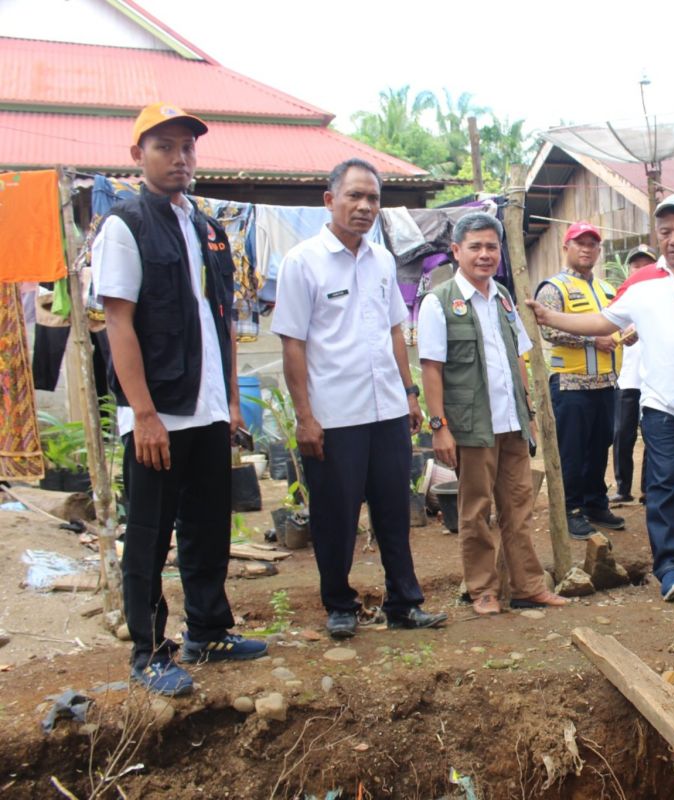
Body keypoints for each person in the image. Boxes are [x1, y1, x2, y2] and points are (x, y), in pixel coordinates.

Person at [94, 102, 267, 696]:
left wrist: (232, 404)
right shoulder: (124, 225)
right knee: (149, 530)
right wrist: (143, 414)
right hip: (157, 412)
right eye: (164, 146)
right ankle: (149, 651)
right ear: (137, 154)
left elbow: (222, 323)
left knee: (206, 525)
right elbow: (119, 323)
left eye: (187, 147)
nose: (179, 157)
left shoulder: (208, 228)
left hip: (209, 409)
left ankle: (209, 631)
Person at [528, 195, 674, 602]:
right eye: (665, 232)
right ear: (658, 235)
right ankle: (669, 567)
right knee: (665, 485)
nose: (673, 239)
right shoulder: (642, 281)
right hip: (663, 405)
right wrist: (550, 317)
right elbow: (604, 320)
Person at [273, 158, 447, 639]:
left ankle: (404, 603)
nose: (365, 206)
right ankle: (340, 605)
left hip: (387, 409)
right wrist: (304, 417)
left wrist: (409, 393)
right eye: (355, 196)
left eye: (373, 198)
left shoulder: (383, 260)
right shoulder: (302, 261)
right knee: (336, 515)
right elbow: (293, 343)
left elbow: (395, 329)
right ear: (330, 201)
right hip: (334, 415)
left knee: (394, 509)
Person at [419, 212, 568, 616]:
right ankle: (482, 590)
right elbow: (431, 367)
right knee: (475, 512)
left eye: (491, 247)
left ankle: (527, 586)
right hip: (471, 427)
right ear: (456, 251)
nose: (485, 255)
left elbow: (518, 356)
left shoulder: (502, 297)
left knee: (518, 509)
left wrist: (530, 411)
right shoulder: (439, 302)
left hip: (512, 422)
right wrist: (439, 427)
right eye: (475, 247)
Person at [535, 222, 624, 539]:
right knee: (571, 451)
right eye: (580, 243)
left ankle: (595, 503)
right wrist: (591, 341)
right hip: (570, 384)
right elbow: (548, 329)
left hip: (605, 383)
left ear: (599, 251)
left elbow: (617, 323)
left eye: (592, 244)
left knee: (600, 446)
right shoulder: (553, 288)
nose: (587, 249)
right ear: (566, 247)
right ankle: (570, 509)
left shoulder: (606, 289)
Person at [609, 245, 657, 506]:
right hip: (627, 379)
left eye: (646, 264)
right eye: (636, 265)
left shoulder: (663, 294)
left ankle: (648, 488)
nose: (640, 269)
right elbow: (607, 332)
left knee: (652, 434)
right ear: (629, 269)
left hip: (653, 379)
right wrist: (620, 337)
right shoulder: (620, 299)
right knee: (622, 434)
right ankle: (622, 487)